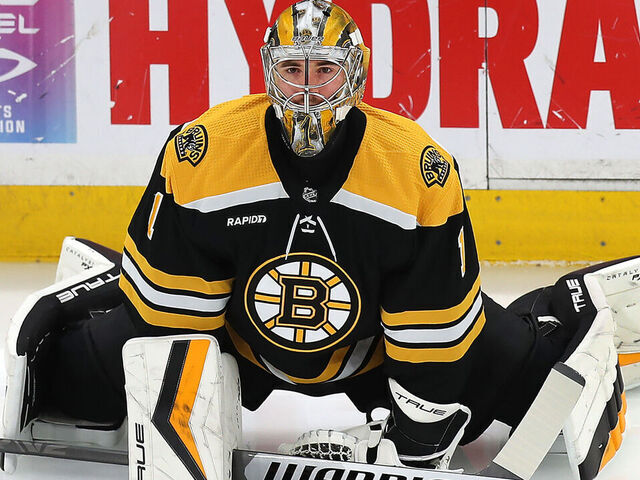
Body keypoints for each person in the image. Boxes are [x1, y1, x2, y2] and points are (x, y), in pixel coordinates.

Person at [2, 2, 638, 479]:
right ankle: (97, 279)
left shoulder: (416, 169)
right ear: (269, 73)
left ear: (354, 75)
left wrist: (418, 445)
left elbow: (435, 334)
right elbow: (166, 318)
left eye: (325, 71)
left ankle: (565, 311)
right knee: (66, 384)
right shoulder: (204, 154)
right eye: (293, 70)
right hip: (239, 345)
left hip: (378, 352)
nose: (308, 90)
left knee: (546, 393)